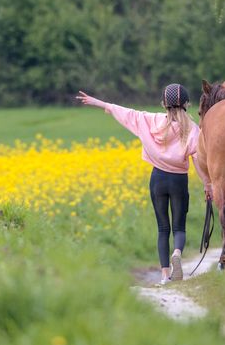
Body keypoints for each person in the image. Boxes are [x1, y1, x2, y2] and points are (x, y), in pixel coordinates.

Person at [76, 84, 201, 286]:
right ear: (187, 103)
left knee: (162, 228)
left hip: (158, 179)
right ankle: (177, 253)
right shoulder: (193, 129)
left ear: (163, 104)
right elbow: (197, 159)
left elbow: (126, 113)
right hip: (179, 179)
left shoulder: (151, 121)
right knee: (179, 227)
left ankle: (164, 276)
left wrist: (99, 103)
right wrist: (208, 184)